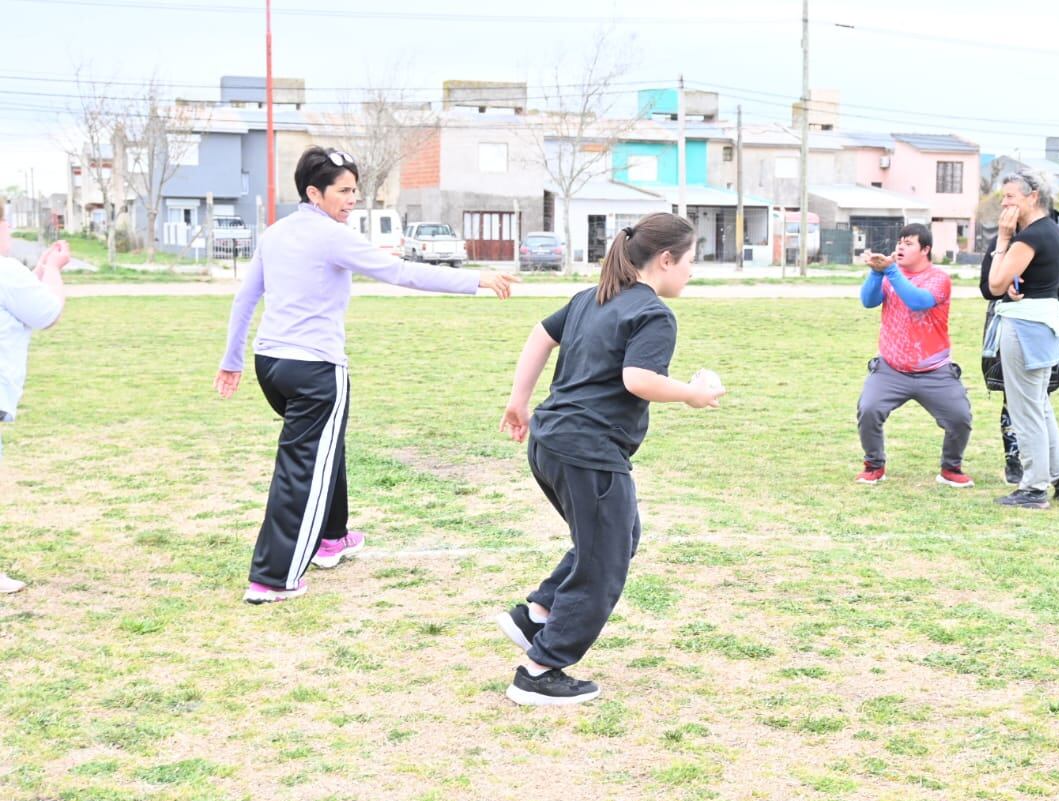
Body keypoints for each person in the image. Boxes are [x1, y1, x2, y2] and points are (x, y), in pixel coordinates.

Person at [217, 147, 517, 604]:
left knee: (322, 447)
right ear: (314, 193)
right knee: (303, 468)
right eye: (343, 191)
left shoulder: (275, 234)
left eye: (355, 189)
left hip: (270, 366)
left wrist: (233, 359)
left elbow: (245, 300)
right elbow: (399, 272)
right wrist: (473, 280)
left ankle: (332, 538)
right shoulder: (330, 235)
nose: (352, 199)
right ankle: (272, 578)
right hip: (314, 369)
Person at [494, 212, 724, 705]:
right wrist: (693, 393)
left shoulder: (591, 298)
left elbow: (540, 334)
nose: (691, 271)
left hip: (551, 442)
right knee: (605, 559)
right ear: (665, 260)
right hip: (587, 452)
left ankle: (536, 613)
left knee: (615, 537)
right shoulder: (653, 313)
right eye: (690, 261)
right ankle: (540, 670)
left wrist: (519, 400)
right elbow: (638, 379)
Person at [853, 223, 973, 488]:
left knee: (959, 418)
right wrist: (876, 273)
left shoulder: (938, 278)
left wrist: (891, 271)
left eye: (908, 244)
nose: (900, 248)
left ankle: (951, 468)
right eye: (899, 243)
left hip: (935, 370)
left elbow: (918, 301)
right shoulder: (890, 275)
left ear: (925, 249)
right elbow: (868, 301)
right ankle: (874, 465)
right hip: (891, 368)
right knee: (869, 409)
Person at [980, 170, 1059, 510]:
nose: (1004, 204)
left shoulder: (1028, 237)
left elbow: (995, 285)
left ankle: (1033, 488)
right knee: (1040, 406)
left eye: (1010, 197)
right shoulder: (1052, 231)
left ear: (1033, 197)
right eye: (1003, 198)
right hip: (1045, 323)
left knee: (1026, 410)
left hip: (1025, 327)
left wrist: (1003, 240)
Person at [1, 236, 71, 594]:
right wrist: (55, 272)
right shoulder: (5, 270)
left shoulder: (12, 274)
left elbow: (20, 297)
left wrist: (41, 272)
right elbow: (47, 313)